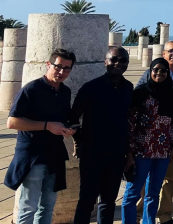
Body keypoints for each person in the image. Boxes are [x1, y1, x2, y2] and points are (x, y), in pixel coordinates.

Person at [6, 50, 77, 224]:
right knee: (28, 206)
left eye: (67, 69)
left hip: (54, 155)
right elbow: (12, 122)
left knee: (48, 205)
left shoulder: (65, 91)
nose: (61, 72)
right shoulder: (31, 89)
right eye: (58, 66)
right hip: (33, 156)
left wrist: (68, 129)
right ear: (48, 65)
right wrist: (47, 126)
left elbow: (62, 118)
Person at [68, 47, 133, 224]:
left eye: (123, 60)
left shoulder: (128, 88)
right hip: (92, 153)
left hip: (117, 154)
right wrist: (79, 140)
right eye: (114, 59)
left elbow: (127, 121)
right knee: (87, 201)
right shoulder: (91, 88)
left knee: (108, 201)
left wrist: (128, 152)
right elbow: (73, 116)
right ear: (106, 62)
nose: (118, 63)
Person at [136, 40, 173, 224]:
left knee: (170, 178)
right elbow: (138, 99)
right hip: (149, 138)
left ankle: (165, 214)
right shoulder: (150, 73)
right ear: (163, 53)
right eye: (170, 51)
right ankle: (139, 212)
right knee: (144, 179)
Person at [122, 57, 173, 224]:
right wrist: (130, 152)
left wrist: (170, 149)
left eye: (163, 70)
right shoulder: (140, 93)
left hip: (162, 152)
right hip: (141, 151)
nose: (159, 73)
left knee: (153, 193)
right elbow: (131, 125)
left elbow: (172, 124)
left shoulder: (171, 95)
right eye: (155, 70)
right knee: (132, 193)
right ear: (150, 71)